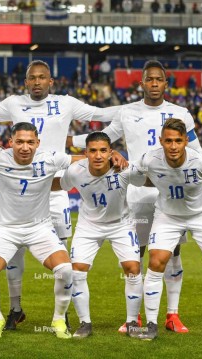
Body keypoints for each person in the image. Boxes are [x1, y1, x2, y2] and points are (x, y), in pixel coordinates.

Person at [0, 60, 122, 331]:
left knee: (62, 252)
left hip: (56, 189)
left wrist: (133, 110)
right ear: (25, 81)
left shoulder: (65, 103)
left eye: (42, 77)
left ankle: (62, 313)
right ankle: (15, 308)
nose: (36, 82)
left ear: (51, 81)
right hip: (23, 186)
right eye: (32, 77)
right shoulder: (13, 103)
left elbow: (100, 112)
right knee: (13, 253)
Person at [70, 60, 202, 334]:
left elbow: (197, 150)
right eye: (149, 80)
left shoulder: (181, 113)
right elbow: (103, 138)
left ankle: (172, 314)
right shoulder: (127, 112)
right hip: (139, 192)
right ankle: (137, 316)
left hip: (172, 192)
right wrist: (68, 139)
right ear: (141, 83)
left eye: (159, 80)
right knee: (138, 255)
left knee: (172, 254)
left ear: (166, 84)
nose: (154, 84)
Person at [0, 122, 82, 339]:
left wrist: (112, 155)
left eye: (30, 142)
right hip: (5, 229)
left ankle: (59, 319)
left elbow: (81, 160)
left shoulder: (50, 158)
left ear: (37, 143)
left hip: (40, 228)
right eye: (19, 142)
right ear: (10, 142)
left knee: (66, 271)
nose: (24, 147)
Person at [134, 118, 202, 341]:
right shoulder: (150, 158)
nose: (173, 146)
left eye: (178, 141)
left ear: (186, 141)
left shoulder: (201, 161)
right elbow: (130, 173)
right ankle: (151, 324)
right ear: (161, 141)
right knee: (156, 262)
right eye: (168, 141)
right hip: (167, 217)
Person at [52, 132, 145, 338]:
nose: (98, 155)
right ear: (85, 153)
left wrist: (128, 162)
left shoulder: (123, 169)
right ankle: (85, 323)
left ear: (111, 152)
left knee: (133, 268)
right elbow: (59, 185)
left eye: (103, 150)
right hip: (89, 226)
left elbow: (145, 180)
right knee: (77, 271)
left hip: (121, 224)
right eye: (92, 151)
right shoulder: (75, 171)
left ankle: (132, 322)